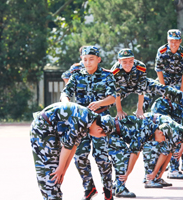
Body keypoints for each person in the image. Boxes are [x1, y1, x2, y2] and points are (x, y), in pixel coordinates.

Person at [60, 46, 116, 200]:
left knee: (101, 157)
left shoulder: (107, 75)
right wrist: (66, 104)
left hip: (100, 120)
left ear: (98, 59)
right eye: (85, 59)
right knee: (80, 157)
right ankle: (89, 187)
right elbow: (65, 93)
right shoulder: (76, 75)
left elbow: (112, 97)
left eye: (91, 59)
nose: (88, 62)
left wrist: (100, 103)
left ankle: (108, 188)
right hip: (81, 122)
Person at [30, 102, 114, 200]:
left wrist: (63, 170)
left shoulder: (88, 122)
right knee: (49, 174)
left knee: (55, 174)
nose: (98, 137)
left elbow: (73, 147)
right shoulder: (83, 120)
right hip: (42, 129)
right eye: (102, 136)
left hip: (51, 131)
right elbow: (67, 147)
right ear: (99, 129)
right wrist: (60, 169)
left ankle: (52, 196)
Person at [102, 114, 170, 197]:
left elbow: (135, 151)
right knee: (124, 156)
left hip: (111, 131)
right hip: (110, 130)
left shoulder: (150, 130)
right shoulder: (146, 131)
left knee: (121, 157)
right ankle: (120, 188)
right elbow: (134, 153)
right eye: (163, 139)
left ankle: (116, 186)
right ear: (160, 133)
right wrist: (128, 173)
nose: (161, 141)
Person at [142, 119, 183, 188]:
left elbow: (169, 153)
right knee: (154, 151)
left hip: (155, 132)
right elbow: (164, 154)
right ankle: (149, 179)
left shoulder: (181, 134)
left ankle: (156, 178)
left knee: (161, 151)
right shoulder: (176, 134)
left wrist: (161, 172)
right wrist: (155, 172)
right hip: (146, 129)